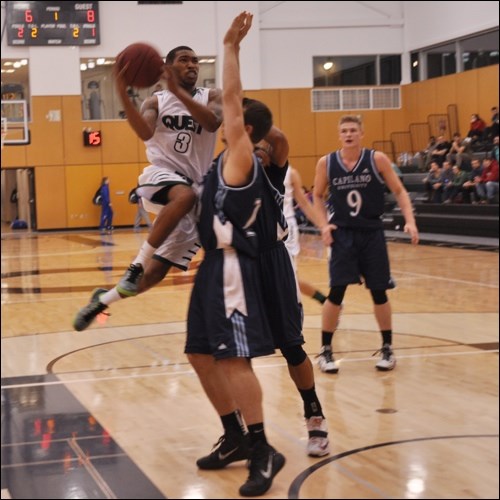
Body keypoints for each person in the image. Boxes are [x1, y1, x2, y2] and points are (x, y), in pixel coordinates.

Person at [185, 12, 284, 497]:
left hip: (233, 272)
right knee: (200, 354)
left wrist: (230, 46)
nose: (228, 110)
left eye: (235, 110)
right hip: (213, 269)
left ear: (245, 125)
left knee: (234, 361)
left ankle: (264, 449)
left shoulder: (243, 153)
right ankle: (235, 436)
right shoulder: (221, 162)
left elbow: (229, 95)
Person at [73, 44, 222, 331]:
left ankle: (103, 299)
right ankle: (135, 264)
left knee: (155, 275)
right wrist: (121, 90)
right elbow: (144, 131)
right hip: (160, 176)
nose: (192, 65)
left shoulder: (212, 96)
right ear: (167, 67)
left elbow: (213, 123)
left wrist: (180, 94)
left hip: (195, 190)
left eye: (195, 60)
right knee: (185, 195)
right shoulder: (155, 101)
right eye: (184, 60)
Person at [312, 114, 419, 374]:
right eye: (344, 131)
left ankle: (387, 347)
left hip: (371, 232)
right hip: (343, 234)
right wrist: (323, 225)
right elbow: (316, 195)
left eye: (353, 130)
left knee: (379, 292)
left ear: (361, 133)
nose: (348, 134)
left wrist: (410, 220)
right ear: (339, 135)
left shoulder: (377, 159)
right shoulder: (326, 163)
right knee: (336, 291)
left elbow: (399, 191)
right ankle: (325, 350)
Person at [254, 147, 327, 305]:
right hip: (263, 230)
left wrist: (323, 227)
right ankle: (325, 301)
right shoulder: (251, 168)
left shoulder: (290, 173)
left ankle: (297, 314)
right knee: (274, 279)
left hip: (286, 230)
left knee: (288, 277)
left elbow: (305, 205)